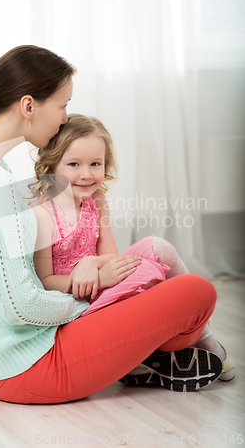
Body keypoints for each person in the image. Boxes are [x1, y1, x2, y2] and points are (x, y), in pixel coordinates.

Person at [0, 46, 234, 406]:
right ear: (29, 106)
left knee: (158, 263)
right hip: (28, 366)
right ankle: (145, 358)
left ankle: (140, 359)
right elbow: (20, 306)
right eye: (62, 105)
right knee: (197, 293)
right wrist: (99, 297)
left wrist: (99, 279)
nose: (64, 119)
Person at [31, 114, 172, 317]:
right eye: (74, 164)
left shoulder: (96, 199)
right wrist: (100, 280)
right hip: (76, 300)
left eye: (95, 164)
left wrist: (91, 263)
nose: (86, 174)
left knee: (154, 254)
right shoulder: (43, 216)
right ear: (51, 165)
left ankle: (192, 323)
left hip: (104, 278)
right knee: (148, 280)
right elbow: (45, 280)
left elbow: (110, 255)